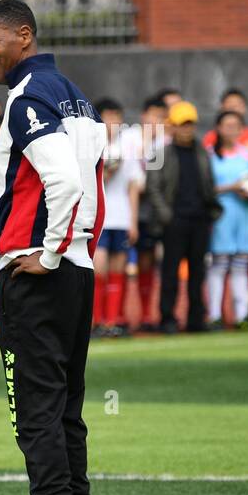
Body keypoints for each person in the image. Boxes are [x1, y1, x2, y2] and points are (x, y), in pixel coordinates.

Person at [0, 0, 105, 495]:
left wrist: (48, 251)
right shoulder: (74, 92)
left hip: (40, 276)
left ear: (23, 37)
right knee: (66, 414)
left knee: (36, 417)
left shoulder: (28, 98)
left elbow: (65, 179)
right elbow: (92, 184)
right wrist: (76, 250)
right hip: (77, 272)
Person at [145, 101, 222, 333]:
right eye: (182, 125)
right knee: (170, 272)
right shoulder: (161, 153)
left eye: (190, 125)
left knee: (198, 272)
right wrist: (167, 216)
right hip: (174, 221)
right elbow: (153, 188)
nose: (187, 129)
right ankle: (168, 318)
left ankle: (196, 319)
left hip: (199, 219)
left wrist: (211, 211)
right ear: (173, 126)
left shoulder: (202, 151)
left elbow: (209, 183)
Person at [92, 98, 144, 336]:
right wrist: (108, 170)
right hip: (99, 217)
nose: (113, 122)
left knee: (117, 270)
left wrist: (133, 221)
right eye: (108, 117)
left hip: (121, 217)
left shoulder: (127, 148)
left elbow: (134, 187)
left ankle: (112, 322)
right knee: (97, 269)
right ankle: (94, 321)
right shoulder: (91, 147)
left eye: (117, 117)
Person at [207, 111, 248, 329]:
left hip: (244, 216)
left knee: (240, 265)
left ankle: (241, 316)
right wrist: (232, 187)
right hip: (221, 216)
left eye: (236, 126)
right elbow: (206, 189)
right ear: (218, 128)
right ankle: (214, 315)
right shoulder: (210, 155)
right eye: (227, 125)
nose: (231, 130)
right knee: (218, 265)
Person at [132, 96, 169, 329]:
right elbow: (135, 167)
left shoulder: (167, 141)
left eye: (160, 116)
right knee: (141, 260)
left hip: (160, 208)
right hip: (136, 209)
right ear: (144, 115)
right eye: (152, 115)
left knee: (158, 260)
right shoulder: (130, 136)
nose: (155, 121)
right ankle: (140, 313)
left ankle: (153, 313)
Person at [202, 88, 248, 152]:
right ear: (222, 108)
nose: (234, 107)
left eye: (238, 104)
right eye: (230, 103)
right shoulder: (211, 138)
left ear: (245, 108)